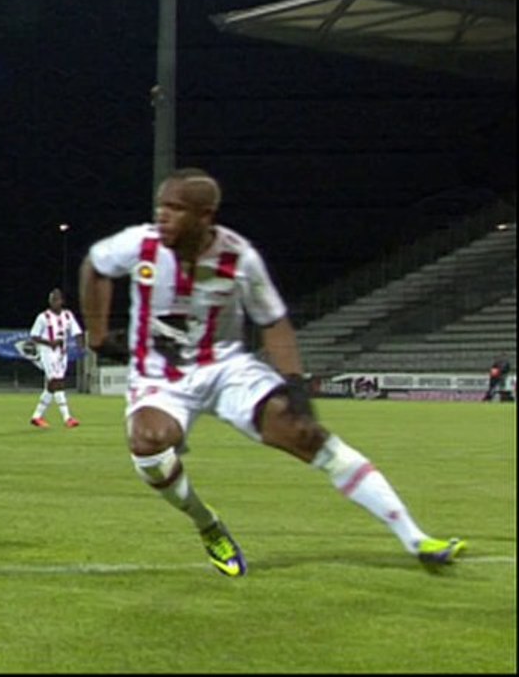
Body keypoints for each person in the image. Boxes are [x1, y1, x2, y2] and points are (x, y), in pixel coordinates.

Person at [79, 167, 466, 577]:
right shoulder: (140, 244)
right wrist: (98, 334)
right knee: (150, 445)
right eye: (161, 206)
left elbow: (274, 321)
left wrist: (296, 386)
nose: (163, 215)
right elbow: (95, 266)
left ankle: (417, 539)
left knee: (307, 435)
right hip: (160, 376)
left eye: (175, 208)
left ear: (205, 215)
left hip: (226, 368)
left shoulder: (239, 258)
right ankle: (208, 525)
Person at [27, 288, 83, 428]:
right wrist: (49, 342)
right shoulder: (43, 317)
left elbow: (77, 332)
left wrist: (81, 346)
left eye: (56, 299)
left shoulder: (68, 315)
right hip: (48, 353)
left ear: (62, 301)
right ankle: (67, 418)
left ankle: (36, 417)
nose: (54, 302)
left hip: (62, 354)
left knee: (51, 387)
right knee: (58, 382)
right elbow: (34, 335)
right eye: (52, 299)